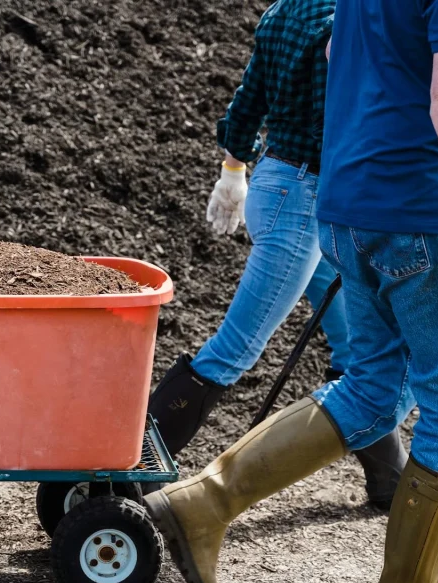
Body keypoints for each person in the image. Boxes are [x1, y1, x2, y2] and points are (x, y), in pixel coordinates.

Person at [144, 0, 438, 583]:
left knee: (376, 386)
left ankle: (205, 501)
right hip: (425, 213)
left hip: (350, 202)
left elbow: (336, 57)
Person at [147, 0, 406, 510]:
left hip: (275, 184)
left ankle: (389, 478)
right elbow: (349, 118)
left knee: (354, 344)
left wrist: (233, 171)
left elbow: (248, 100)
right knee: (237, 347)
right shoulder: (349, 22)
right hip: (307, 199)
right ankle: (129, 468)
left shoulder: (283, 10)